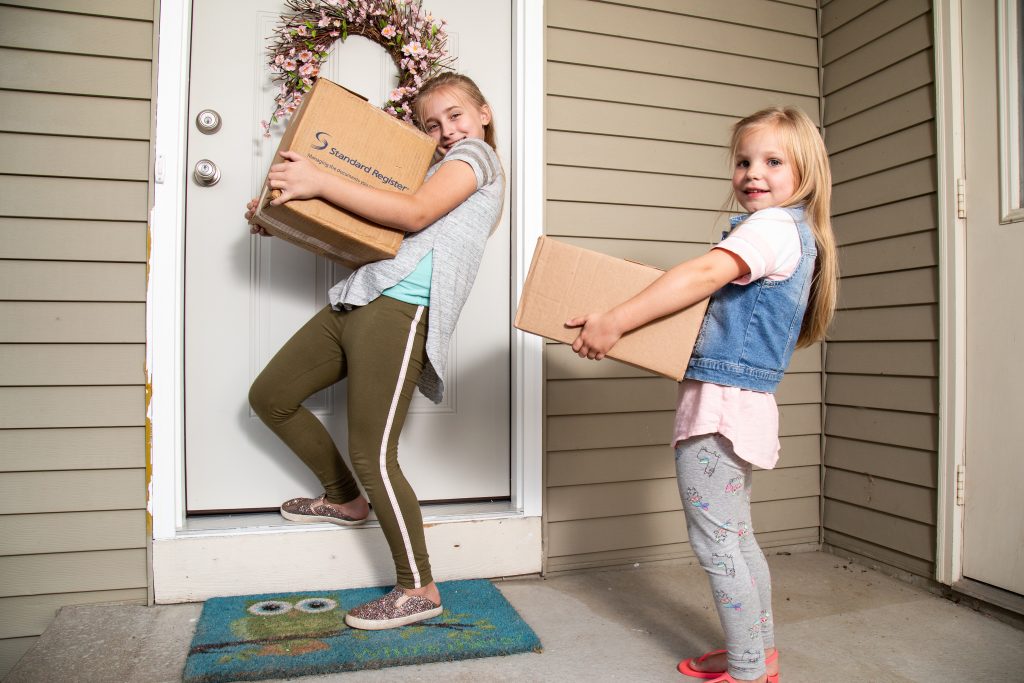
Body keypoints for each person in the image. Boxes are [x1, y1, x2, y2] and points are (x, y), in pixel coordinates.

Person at [566, 106, 837, 683]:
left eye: (771, 161)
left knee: (716, 545)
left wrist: (615, 319)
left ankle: (747, 670)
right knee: (737, 537)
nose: (751, 173)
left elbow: (699, 278)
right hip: (746, 405)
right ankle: (758, 652)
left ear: (806, 172)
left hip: (720, 407)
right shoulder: (795, 233)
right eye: (743, 161)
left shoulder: (768, 228)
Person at [244, 72, 503, 630]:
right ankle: (344, 499)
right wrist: (284, 216)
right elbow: (371, 231)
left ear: (482, 114)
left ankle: (419, 588)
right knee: (271, 396)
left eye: (455, 115)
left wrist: (316, 181)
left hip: (400, 311)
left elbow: (410, 217)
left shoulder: (478, 158)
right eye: (431, 125)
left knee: (372, 452)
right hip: (358, 299)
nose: (447, 131)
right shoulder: (427, 170)